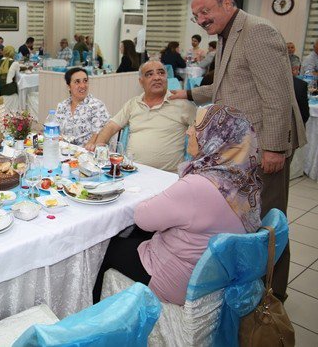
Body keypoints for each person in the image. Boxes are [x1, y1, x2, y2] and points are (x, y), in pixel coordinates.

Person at [170, 0, 306, 301]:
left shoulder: (257, 31)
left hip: (263, 148)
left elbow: (277, 95)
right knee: (247, 219)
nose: (201, 19)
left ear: (228, 3)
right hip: (242, 148)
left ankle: (273, 296)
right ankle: (249, 289)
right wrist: (186, 93)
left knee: (267, 224)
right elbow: (226, 85)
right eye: (196, 15)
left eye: (205, 11)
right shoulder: (228, 35)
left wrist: (273, 148)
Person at [93, 104, 261, 305]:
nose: (189, 131)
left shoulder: (197, 185)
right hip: (216, 275)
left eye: (196, 126)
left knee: (104, 248)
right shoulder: (246, 182)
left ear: (215, 138)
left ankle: (98, 316)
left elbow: (143, 218)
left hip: (179, 279)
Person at [86, 60, 196, 173]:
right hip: (132, 171)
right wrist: (99, 146)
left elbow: (205, 132)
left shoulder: (182, 105)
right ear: (141, 81)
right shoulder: (133, 104)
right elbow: (111, 126)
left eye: (161, 73)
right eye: (149, 74)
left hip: (167, 176)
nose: (157, 77)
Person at [55, 67, 110, 146]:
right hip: (64, 151)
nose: (83, 85)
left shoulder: (96, 105)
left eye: (85, 81)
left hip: (86, 153)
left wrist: (84, 150)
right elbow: (56, 131)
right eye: (77, 82)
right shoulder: (62, 106)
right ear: (68, 86)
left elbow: (98, 133)